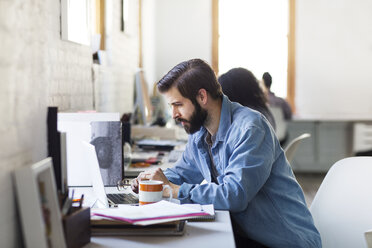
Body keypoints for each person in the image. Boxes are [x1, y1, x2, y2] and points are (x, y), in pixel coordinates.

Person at [131, 59, 321, 247]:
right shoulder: (200, 131)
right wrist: (153, 180)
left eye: (178, 104)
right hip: (245, 233)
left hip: (282, 241)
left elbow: (234, 195)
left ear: (202, 97)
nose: (173, 114)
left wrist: (173, 190)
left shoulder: (251, 128)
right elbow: (182, 173)